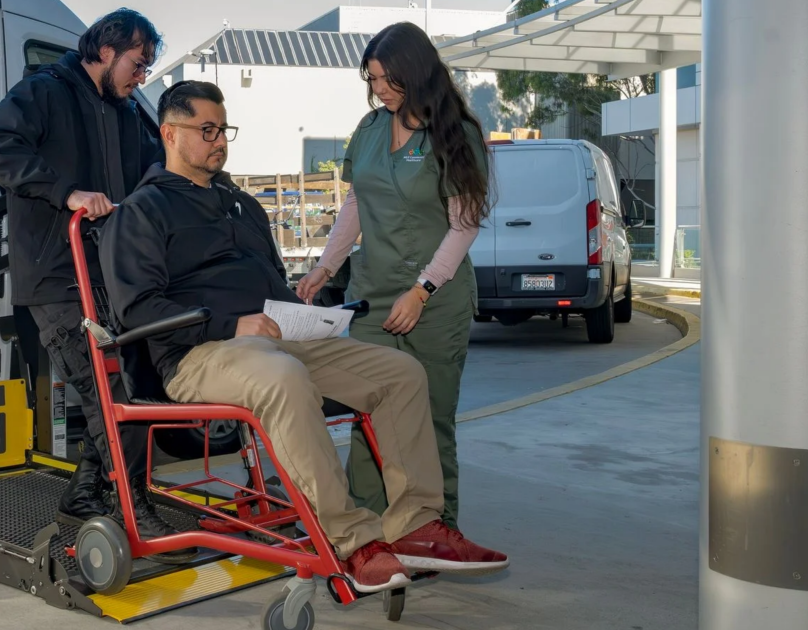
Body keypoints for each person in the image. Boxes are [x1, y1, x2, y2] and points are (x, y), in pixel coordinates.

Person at [99, 79, 508, 593]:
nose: (219, 140)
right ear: (169, 134)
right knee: (284, 377)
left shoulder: (242, 207)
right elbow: (136, 308)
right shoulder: (141, 211)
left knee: (400, 372)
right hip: (198, 353)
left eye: (224, 129)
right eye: (207, 130)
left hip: (281, 342)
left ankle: (415, 525)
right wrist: (231, 324)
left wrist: (308, 314)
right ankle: (352, 541)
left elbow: (273, 286)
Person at [0, 8, 195, 563]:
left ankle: (82, 498)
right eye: (138, 63)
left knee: (137, 385)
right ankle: (132, 502)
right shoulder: (43, 91)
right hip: (56, 273)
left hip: (112, 274)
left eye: (146, 68)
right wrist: (66, 192)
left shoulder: (126, 115)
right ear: (106, 49)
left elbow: (154, 176)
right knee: (106, 394)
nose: (141, 76)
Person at [296, 22, 493, 530]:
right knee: (370, 417)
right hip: (373, 298)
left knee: (429, 420)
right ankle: (369, 531)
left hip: (434, 301)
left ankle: (435, 529)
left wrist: (422, 290)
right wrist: (325, 266)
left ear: (416, 73)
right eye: (373, 79)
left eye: (388, 80)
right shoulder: (368, 130)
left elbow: (464, 225)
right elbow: (357, 201)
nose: (378, 89)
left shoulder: (455, 134)